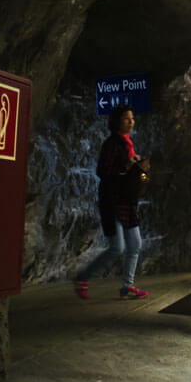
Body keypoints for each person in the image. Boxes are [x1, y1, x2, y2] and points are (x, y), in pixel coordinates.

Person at [75, 104, 148, 300]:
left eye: (132, 118)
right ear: (116, 121)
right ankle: (84, 276)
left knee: (133, 245)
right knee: (120, 247)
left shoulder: (126, 143)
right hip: (113, 202)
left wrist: (133, 165)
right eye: (126, 118)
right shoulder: (112, 144)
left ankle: (127, 285)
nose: (131, 122)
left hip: (126, 201)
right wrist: (127, 165)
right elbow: (103, 171)